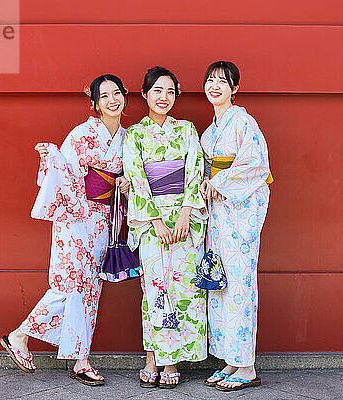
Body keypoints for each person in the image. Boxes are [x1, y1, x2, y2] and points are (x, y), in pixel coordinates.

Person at [0, 74, 130, 386]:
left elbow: (132, 174)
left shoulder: (129, 137)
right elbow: (65, 176)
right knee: (69, 284)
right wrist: (52, 159)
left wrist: (126, 182)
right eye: (105, 96)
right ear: (94, 104)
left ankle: (80, 358)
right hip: (75, 218)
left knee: (89, 290)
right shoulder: (82, 134)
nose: (112, 100)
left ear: (125, 96)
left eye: (117, 94)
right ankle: (21, 336)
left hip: (104, 220)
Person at [123, 66, 208, 389]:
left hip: (185, 220)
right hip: (151, 222)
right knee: (155, 290)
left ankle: (168, 358)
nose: (164, 97)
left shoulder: (186, 130)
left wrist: (186, 212)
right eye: (157, 91)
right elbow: (137, 178)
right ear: (144, 94)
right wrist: (155, 220)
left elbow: (194, 172)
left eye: (170, 91)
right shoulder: (135, 135)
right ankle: (154, 358)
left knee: (184, 291)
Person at [199, 61, 273, 391]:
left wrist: (221, 182)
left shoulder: (244, 122)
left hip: (238, 215)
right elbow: (204, 169)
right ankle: (231, 359)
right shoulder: (210, 130)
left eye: (222, 81)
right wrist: (204, 184)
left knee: (241, 288)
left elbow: (256, 165)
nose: (215, 86)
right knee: (221, 287)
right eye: (210, 80)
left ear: (235, 89)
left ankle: (247, 366)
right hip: (216, 217)